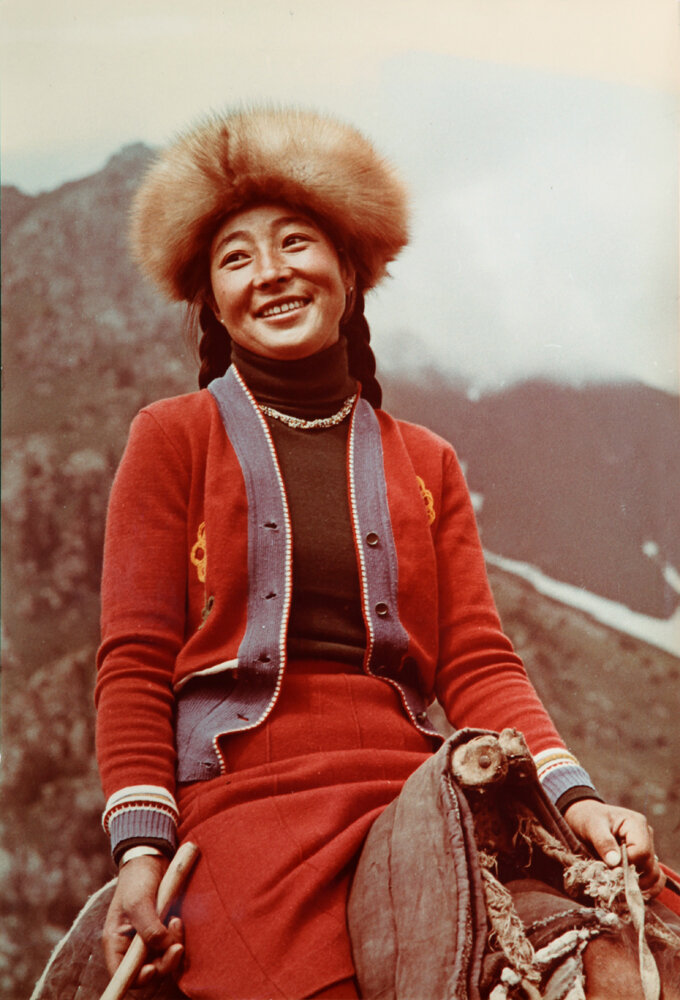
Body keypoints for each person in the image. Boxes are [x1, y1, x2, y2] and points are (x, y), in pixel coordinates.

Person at [95, 107, 666, 1000]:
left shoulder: (427, 460)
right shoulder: (171, 438)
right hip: (242, 807)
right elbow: (134, 659)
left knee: (642, 941)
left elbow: (477, 660)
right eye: (236, 258)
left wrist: (576, 798)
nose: (271, 272)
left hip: (416, 791)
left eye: (295, 242)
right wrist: (140, 849)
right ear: (211, 298)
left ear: (351, 268)